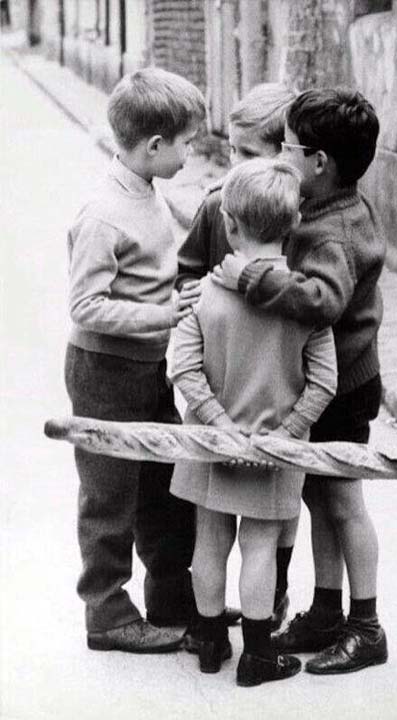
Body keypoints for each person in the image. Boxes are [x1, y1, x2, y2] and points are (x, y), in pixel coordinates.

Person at [213, 88, 388, 675]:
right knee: (319, 498)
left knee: (343, 502)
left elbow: (323, 301)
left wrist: (252, 280)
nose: (280, 156)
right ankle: (327, 612)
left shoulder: (332, 232)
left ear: (319, 163)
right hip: (332, 381)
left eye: (286, 149)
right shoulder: (326, 207)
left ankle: (366, 626)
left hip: (343, 388)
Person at [170, 158, 337, 686]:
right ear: (292, 226)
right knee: (261, 545)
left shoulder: (206, 296)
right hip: (274, 451)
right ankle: (259, 654)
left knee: (210, 540)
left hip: (209, 443)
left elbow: (185, 368)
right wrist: (283, 437)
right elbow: (324, 382)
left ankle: (209, 639)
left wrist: (221, 427)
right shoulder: (303, 302)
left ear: (229, 225)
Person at [64, 67, 207, 653]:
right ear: (154, 146)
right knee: (109, 495)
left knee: (164, 484)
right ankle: (107, 613)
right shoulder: (103, 214)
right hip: (104, 373)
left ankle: (170, 596)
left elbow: (152, 279)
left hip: (147, 369)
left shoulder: (147, 192)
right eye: (187, 143)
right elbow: (86, 306)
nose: (192, 153)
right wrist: (164, 315)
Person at [176, 82, 298, 637]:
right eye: (231, 152)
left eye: (247, 155)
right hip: (236, 402)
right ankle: (249, 636)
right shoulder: (215, 207)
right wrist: (195, 300)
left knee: (265, 531)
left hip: (252, 403)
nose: (234, 169)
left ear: (283, 154)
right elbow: (187, 273)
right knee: (243, 534)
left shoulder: (296, 216)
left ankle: (269, 602)